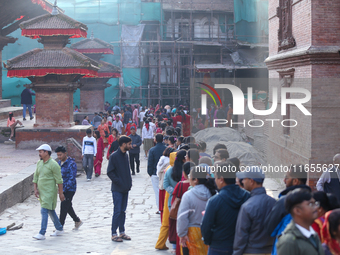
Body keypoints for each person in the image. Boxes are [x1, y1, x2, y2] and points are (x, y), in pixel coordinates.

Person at [201, 161, 250, 255]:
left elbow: (206, 226)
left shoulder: (214, 201)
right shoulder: (247, 196)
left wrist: (208, 241)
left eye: (215, 177)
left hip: (219, 246)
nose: (214, 180)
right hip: (242, 246)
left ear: (221, 179)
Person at [265, 164, 310, 255]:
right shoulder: (313, 201)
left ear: (295, 181)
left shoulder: (284, 202)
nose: (284, 180)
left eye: (286, 178)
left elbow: (269, 229)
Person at [233, 166, 276, 255]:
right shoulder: (274, 203)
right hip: (271, 250)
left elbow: (241, 236)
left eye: (244, 179)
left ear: (251, 181)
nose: (243, 181)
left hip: (252, 251)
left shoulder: (247, 206)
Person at [177, 164, 215, 255]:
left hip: (192, 234)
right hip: (210, 233)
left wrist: (182, 234)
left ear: (196, 180)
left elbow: (182, 217)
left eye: (190, 176)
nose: (189, 178)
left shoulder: (188, 195)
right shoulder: (213, 193)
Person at [276, 188, 324, 255]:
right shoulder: (288, 241)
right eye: (310, 204)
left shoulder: (313, 234)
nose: (316, 207)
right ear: (297, 211)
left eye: (315, 203)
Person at [32, 144, 65, 240]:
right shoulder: (39, 163)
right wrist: (35, 188)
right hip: (42, 192)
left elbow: (59, 180)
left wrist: (61, 193)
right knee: (50, 210)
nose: (39, 154)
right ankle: (59, 228)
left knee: (44, 210)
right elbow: (36, 177)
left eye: (41, 152)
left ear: (47, 152)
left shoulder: (54, 164)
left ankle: (42, 233)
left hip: (50, 192)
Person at [107, 136, 133, 242]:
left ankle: (122, 232)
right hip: (117, 188)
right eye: (129, 144)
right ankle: (114, 233)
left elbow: (127, 170)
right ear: (123, 144)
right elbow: (110, 172)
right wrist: (119, 182)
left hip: (125, 188)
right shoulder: (114, 156)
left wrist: (128, 183)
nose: (130, 146)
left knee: (123, 211)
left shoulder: (125, 155)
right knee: (117, 211)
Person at [55, 146, 82, 230]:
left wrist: (63, 189)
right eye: (58, 155)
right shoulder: (59, 163)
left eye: (60, 155)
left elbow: (72, 178)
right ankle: (77, 220)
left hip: (70, 188)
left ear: (65, 154)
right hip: (61, 187)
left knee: (63, 206)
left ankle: (60, 226)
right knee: (67, 205)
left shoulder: (71, 163)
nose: (59, 157)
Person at [148, 134, 167, 211]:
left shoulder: (152, 150)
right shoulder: (166, 149)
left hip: (155, 173)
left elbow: (150, 162)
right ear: (162, 139)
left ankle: (160, 208)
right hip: (164, 173)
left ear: (155, 140)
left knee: (157, 191)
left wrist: (150, 173)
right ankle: (165, 207)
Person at [157, 147, 175, 221]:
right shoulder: (170, 166)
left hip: (162, 186)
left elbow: (158, 172)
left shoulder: (162, 160)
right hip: (169, 188)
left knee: (163, 208)